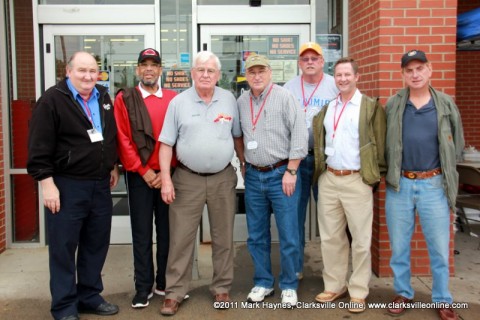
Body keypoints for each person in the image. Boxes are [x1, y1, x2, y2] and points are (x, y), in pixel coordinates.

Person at [27, 51, 119, 320]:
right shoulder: (51, 100)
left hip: (100, 185)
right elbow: (38, 146)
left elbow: (108, 133)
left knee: (95, 243)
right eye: (82, 71)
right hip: (66, 186)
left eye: (93, 71)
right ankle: (64, 306)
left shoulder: (103, 95)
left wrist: (112, 164)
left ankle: (89, 295)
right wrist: (47, 184)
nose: (88, 76)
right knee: (64, 247)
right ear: (68, 72)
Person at [158, 51, 242, 316]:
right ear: (192, 73)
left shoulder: (229, 99)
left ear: (218, 75)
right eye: (201, 70)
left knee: (223, 237)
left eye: (211, 71)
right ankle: (174, 293)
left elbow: (237, 137)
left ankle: (221, 288)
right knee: (181, 239)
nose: (206, 75)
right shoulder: (179, 102)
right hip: (186, 180)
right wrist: (166, 181)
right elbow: (166, 145)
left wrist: (245, 167)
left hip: (222, 179)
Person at [385, 50, 464, 320]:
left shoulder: (445, 104)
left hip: (434, 185)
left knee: (440, 248)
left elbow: (459, 144)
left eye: (420, 68)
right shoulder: (394, 104)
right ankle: (403, 292)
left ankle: (442, 298)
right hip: (400, 186)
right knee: (399, 247)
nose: (415, 74)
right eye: (409, 70)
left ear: (429, 70)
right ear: (403, 75)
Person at [312, 57, 386, 313]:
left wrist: (372, 179)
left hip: (357, 179)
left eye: (347, 74)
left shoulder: (369, 107)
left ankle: (358, 291)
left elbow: (380, 145)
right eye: (338, 75)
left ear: (357, 76)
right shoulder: (328, 108)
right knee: (331, 238)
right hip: (330, 179)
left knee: (361, 240)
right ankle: (335, 285)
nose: (342, 79)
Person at [237, 54, 308, 306]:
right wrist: (244, 164)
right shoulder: (242, 101)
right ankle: (263, 282)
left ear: (270, 73)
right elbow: (238, 135)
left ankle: (289, 284)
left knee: (288, 233)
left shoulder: (284, 97)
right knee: (256, 234)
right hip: (255, 176)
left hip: (282, 174)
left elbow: (300, 134)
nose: (257, 76)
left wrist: (291, 171)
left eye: (261, 71)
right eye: (252, 72)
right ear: (246, 75)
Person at [114, 48, 177, 308]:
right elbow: (122, 138)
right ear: (137, 69)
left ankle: (164, 283)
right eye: (144, 64)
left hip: (168, 177)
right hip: (139, 176)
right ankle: (143, 287)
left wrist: (165, 173)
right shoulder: (125, 99)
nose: (149, 69)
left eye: (154, 64)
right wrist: (143, 170)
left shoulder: (173, 98)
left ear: (161, 69)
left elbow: (179, 137)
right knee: (141, 233)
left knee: (167, 232)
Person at [284, 42, 339, 280]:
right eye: (305, 59)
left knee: (330, 218)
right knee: (294, 217)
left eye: (314, 58)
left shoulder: (334, 86)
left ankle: (333, 272)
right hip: (296, 160)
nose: (309, 62)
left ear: (322, 61)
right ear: (299, 63)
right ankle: (295, 268)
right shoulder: (289, 88)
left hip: (324, 161)